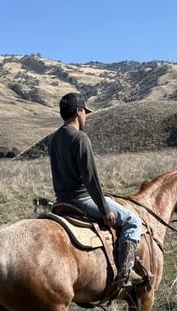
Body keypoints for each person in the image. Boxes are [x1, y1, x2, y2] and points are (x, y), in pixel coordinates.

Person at [49, 91, 142, 290]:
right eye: (85, 112)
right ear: (78, 111)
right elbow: (90, 179)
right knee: (133, 221)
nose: (86, 117)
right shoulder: (80, 138)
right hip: (81, 199)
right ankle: (125, 271)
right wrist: (104, 208)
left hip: (61, 200)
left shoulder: (55, 139)